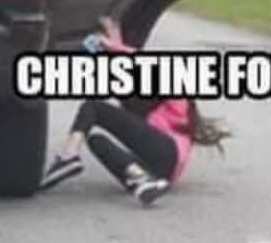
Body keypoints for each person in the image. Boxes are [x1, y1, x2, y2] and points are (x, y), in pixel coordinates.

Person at [39, 16, 230, 205]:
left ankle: (68, 156)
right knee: (96, 140)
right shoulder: (143, 108)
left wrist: (113, 46)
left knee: (93, 107)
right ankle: (142, 180)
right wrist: (115, 43)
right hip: (160, 173)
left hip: (168, 152)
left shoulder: (178, 99)